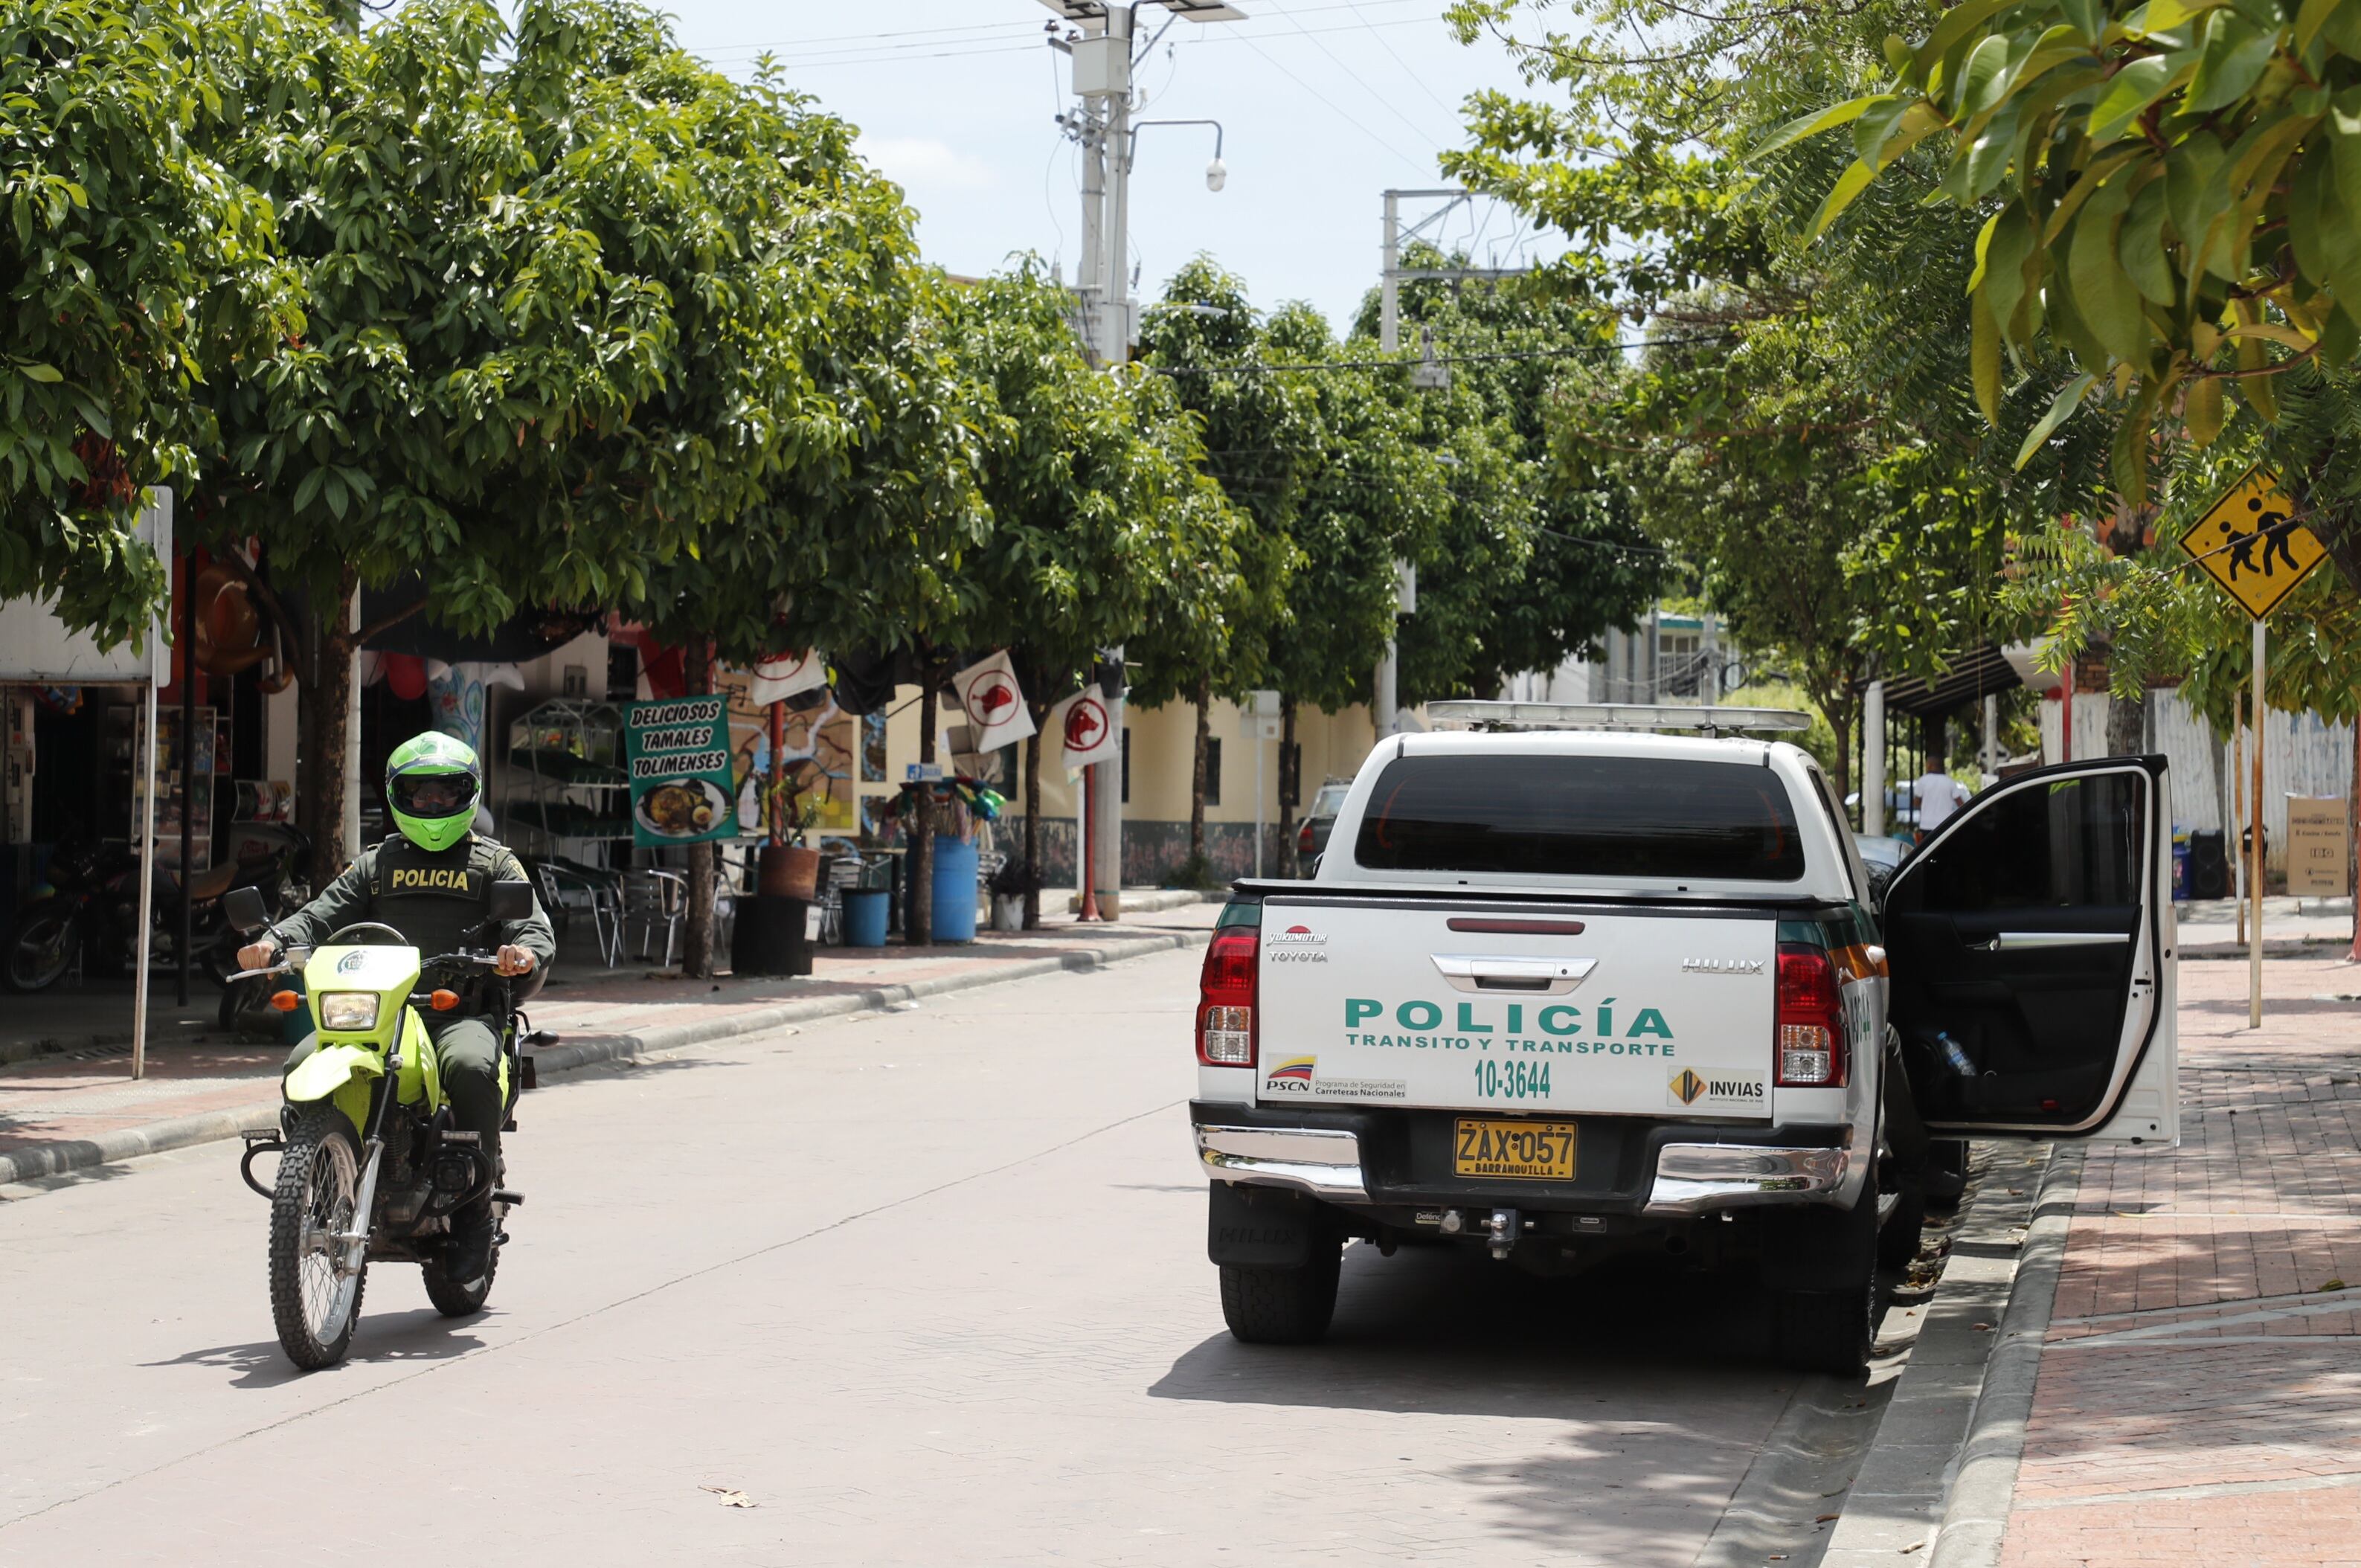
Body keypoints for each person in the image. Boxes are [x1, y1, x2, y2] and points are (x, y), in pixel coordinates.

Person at [237, 731, 554, 1287]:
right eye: (419, 795)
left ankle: (476, 1213)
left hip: (457, 1011)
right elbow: (320, 914)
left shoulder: (493, 862)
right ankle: (319, 1177)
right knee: (302, 1060)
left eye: (445, 794)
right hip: (380, 1012)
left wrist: (521, 952)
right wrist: (274, 940)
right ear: (397, 797)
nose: (432, 807)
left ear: (469, 794)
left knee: (473, 1069)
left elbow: (532, 924)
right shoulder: (379, 863)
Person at [1911, 763, 1970, 846]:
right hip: (1945, 825)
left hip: (1926, 825)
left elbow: (1916, 803)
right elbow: (1961, 804)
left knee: (1927, 851)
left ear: (1930, 766)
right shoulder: (1950, 782)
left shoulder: (1923, 780)